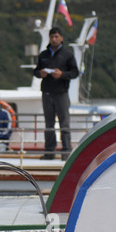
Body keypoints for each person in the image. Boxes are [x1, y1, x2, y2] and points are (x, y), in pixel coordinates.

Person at [33, 27, 79, 160]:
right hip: (47, 93)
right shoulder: (43, 55)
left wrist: (62, 74)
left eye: (56, 36)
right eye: (52, 37)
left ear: (61, 38)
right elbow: (35, 71)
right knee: (49, 124)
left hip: (61, 93)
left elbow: (75, 72)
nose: (54, 39)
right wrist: (40, 73)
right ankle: (49, 152)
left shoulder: (68, 55)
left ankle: (66, 152)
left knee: (64, 123)